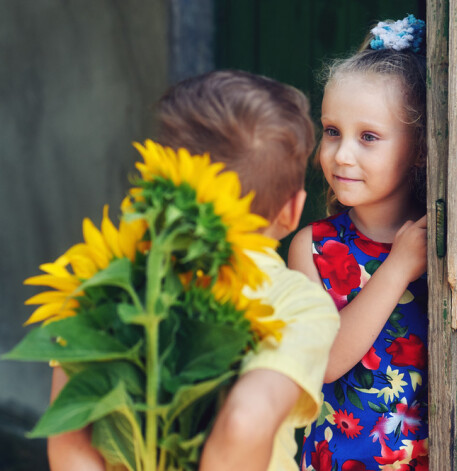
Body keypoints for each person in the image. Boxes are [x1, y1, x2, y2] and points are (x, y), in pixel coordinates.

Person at [47, 70, 340, 471]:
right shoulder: (296, 303)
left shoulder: (99, 277)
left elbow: (67, 440)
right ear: (292, 210)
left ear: (163, 183)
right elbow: (245, 420)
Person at [288, 15, 429, 470]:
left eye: (368, 137)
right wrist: (398, 269)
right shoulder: (312, 247)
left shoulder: (442, 242)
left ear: (421, 148)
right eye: (332, 131)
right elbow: (324, 363)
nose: (341, 154)